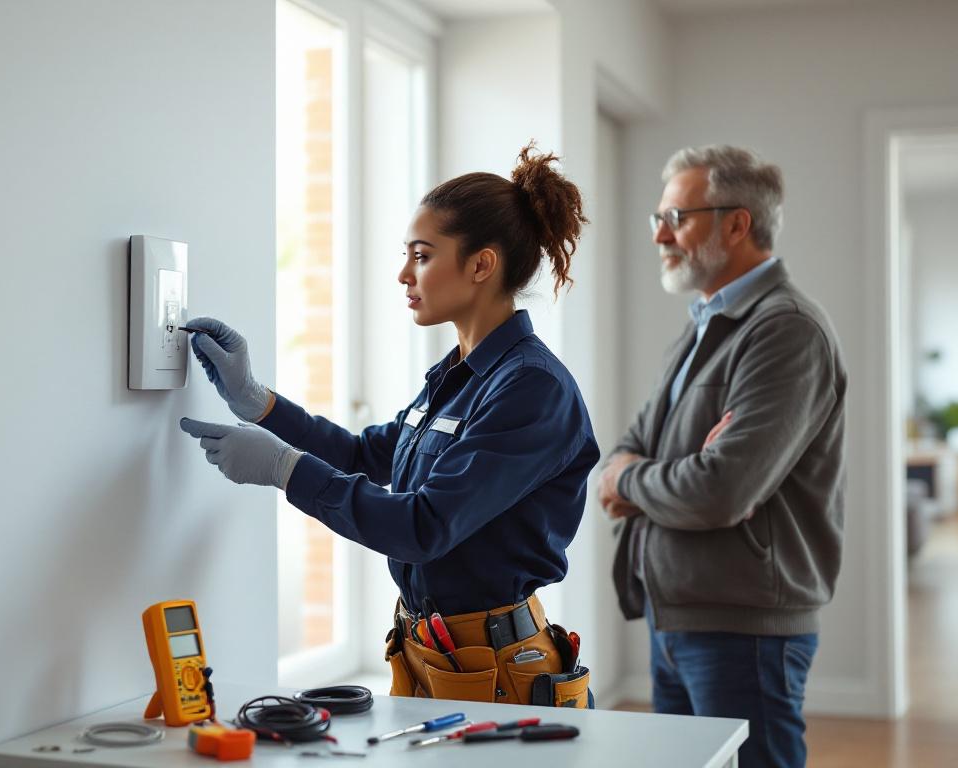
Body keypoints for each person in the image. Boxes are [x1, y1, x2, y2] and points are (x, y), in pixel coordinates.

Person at [178, 142, 600, 707]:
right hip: (432, 654)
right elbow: (362, 454)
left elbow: (423, 528)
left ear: (481, 264)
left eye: (422, 255)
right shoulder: (459, 376)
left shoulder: (533, 389)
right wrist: (260, 403)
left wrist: (285, 470)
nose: (404, 274)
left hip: (501, 674)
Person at [599, 145, 846, 768]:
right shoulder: (705, 323)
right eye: (659, 216)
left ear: (737, 223)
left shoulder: (786, 330)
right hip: (674, 614)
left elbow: (720, 488)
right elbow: (630, 446)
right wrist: (638, 471)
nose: (659, 233)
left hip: (744, 631)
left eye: (677, 217)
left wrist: (634, 481)